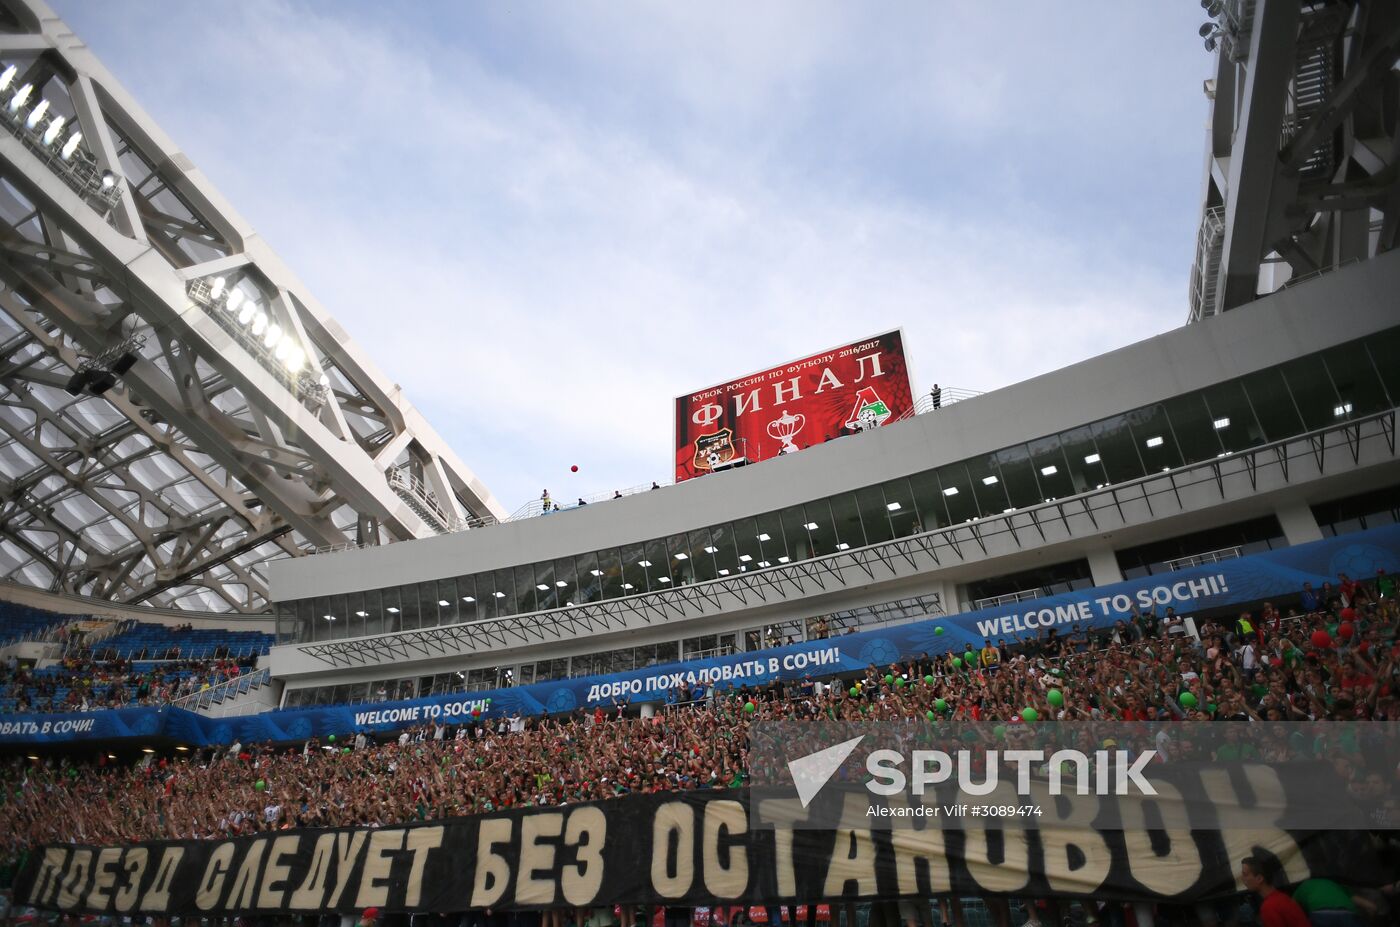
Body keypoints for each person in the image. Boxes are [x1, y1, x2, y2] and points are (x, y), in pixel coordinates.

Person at [1241, 855, 1310, 927]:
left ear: (1259, 879)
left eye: (1245, 874)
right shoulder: (1282, 897)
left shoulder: (1269, 907)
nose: (1242, 878)